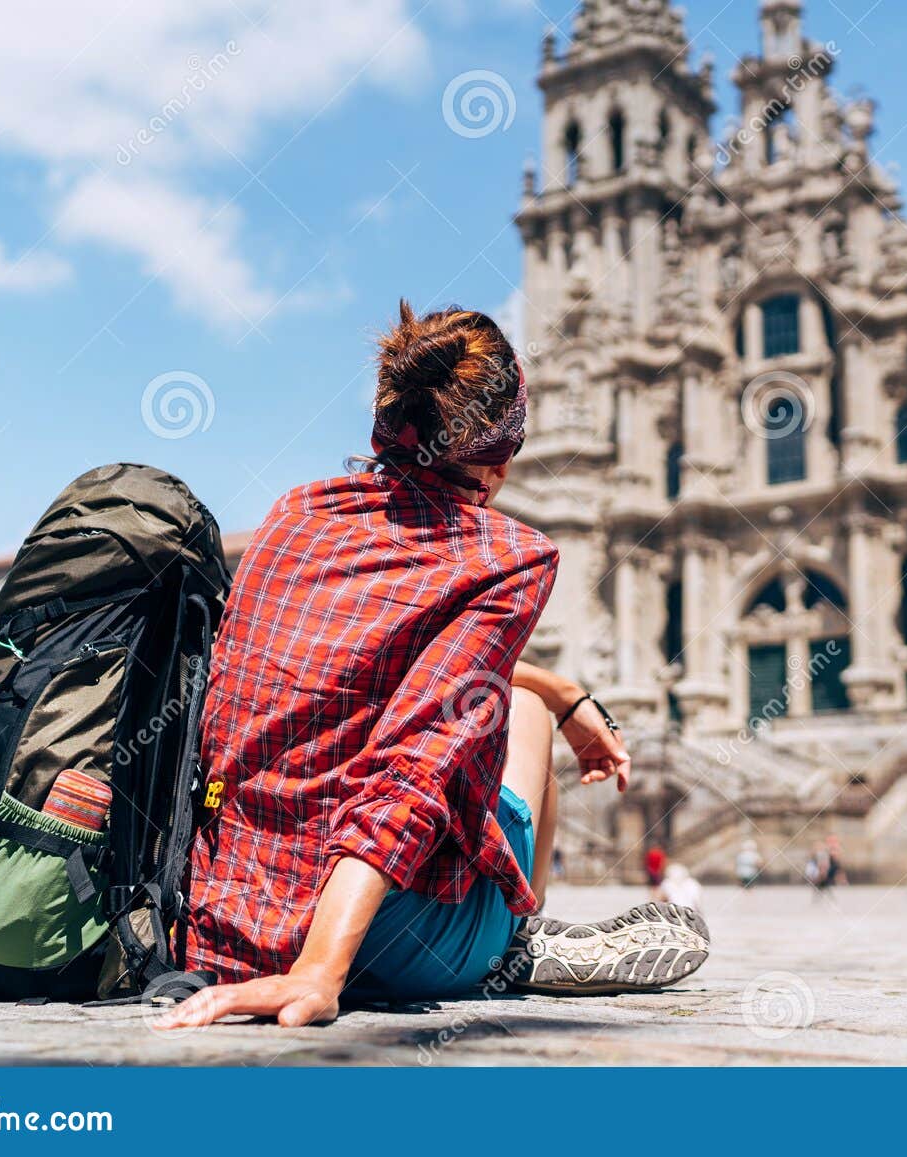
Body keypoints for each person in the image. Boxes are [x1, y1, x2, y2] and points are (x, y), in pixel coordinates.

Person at [162, 303, 709, 1031]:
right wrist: (320, 971)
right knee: (525, 714)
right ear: (498, 462)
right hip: (378, 943)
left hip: (220, 918)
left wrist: (560, 682)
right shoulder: (508, 557)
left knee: (525, 696)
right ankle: (511, 941)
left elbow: (355, 681)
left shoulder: (293, 513)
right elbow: (410, 766)